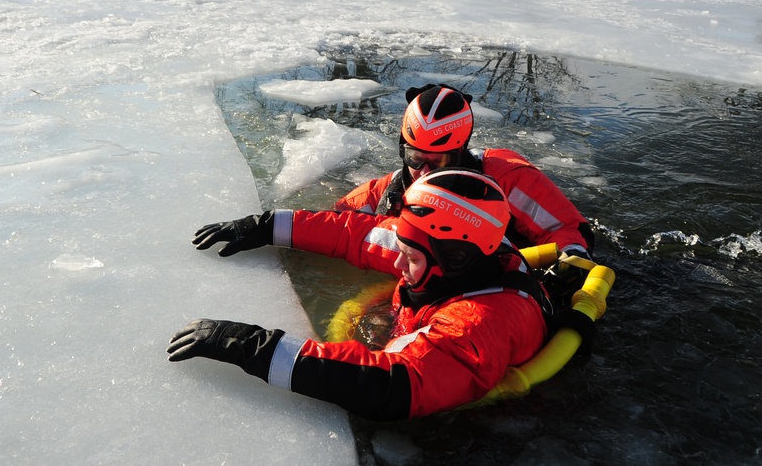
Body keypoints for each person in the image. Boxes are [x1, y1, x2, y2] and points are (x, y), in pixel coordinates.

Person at [169, 169, 550, 421]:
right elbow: (357, 234)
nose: (397, 265)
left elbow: (391, 383)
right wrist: (266, 226)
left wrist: (256, 347)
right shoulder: (458, 254)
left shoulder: (481, 323)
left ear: (456, 258)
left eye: (411, 258)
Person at [333, 84, 595, 262]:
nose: (423, 173)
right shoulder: (391, 189)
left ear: (459, 154)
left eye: (438, 162)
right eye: (414, 158)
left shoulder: (509, 178)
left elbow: (567, 229)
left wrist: (567, 261)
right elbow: (336, 220)